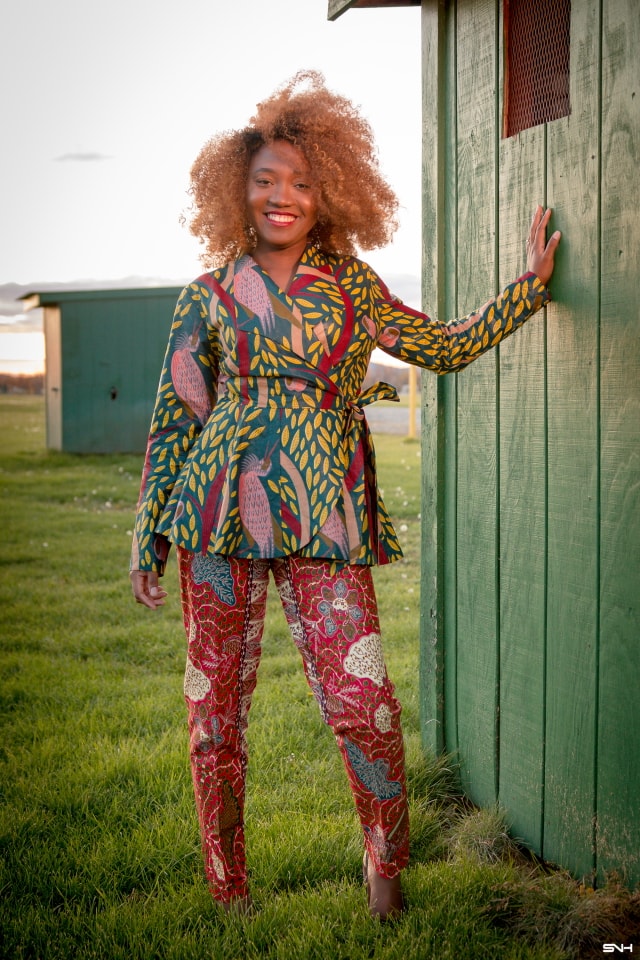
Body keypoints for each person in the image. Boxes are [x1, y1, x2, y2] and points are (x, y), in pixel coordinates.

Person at [130, 71, 561, 919]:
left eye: (300, 180)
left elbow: (438, 346)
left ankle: (385, 873)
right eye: (264, 180)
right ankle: (229, 892)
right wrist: (148, 535)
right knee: (213, 714)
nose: (281, 196)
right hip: (214, 518)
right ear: (237, 190)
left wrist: (526, 289)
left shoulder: (350, 285)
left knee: (365, 704)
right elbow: (174, 420)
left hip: (326, 517)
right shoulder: (207, 297)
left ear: (330, 189)